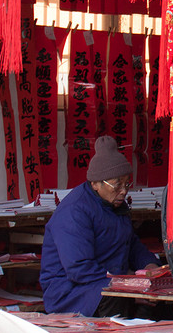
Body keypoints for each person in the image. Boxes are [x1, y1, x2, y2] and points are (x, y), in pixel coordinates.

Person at [40, 135, 159, 316]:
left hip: (109, 283)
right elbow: (79, 268)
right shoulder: (75, 211)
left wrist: (150, 265)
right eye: (117, 185)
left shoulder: (116, 206)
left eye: (127, 183)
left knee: (156, 297)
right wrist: (124, 287)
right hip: (70, 292)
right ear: (95, 184)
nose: (124, 191)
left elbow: (130, 243)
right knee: (114, 297)